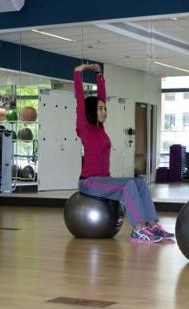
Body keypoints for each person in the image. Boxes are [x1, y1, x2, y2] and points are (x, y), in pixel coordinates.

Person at [73, 63, 173, 243]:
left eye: (105, 108)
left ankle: (152, 225)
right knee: (127, 186)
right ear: (90, 111)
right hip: (89, 182)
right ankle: (138, 229)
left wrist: (99, 75)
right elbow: (80, 100)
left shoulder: (100, 128)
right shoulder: (85, 128)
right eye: (100, 109)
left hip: (103, 179)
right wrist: (78, 73)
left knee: (139, 182)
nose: (104, 111)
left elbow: (101, 96)